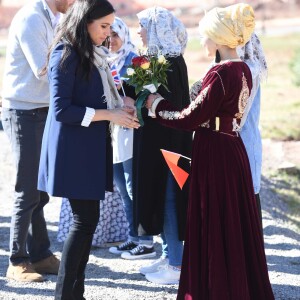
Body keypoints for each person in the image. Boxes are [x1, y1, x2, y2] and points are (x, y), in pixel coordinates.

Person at [146, 3, 274, 299]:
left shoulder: (220, 72)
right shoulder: (244, 69)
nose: (201, 41)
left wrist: (155, 106)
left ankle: (215, 288)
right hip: (232, 150)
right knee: (232, 219)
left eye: (204, 36)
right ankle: (236, 283)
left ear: (217, 38)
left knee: (213, 218)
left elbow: (189, 118)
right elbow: (222, 112)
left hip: (215, 152)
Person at [37, 0, 139, 298]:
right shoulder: (65, 54)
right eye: (104, 26)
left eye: (110, 26)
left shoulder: (90, 54)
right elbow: (61, 110)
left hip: (88, 147)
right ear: (85, 22)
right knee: (83, 222)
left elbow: (99, 96)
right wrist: (111, 115)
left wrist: (123, 105)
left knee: (88, 221)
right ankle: (67, 295)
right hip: (73, 151)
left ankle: (73, 293)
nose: (108, 33)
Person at [1, 0, 74, 283]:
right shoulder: (32, 18)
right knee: (28, 189)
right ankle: (17, 261)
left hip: (42, 110)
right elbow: (43, 68)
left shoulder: (52, 17)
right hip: (24, 112)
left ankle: (41, 255)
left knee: (40, 190)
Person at [122, 7, 193, 286]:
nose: (138, 31)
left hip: (168, 143)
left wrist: (146, 101)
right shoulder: (153, 60)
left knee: (169, 199)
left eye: (142, 26)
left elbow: (172, 107)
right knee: (158, 197)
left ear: (155, 28)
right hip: (153, 140)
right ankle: (168, 254)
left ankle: (177, 264)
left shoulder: (171, 62)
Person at [107, 17, 154, 255]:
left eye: (115, 35)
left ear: (124, 35)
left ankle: (146, 241)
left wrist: (129, 99)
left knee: (133, 186)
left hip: (134, 131)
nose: (111, 40)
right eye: (107, 35)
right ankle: (133, 236)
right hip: (115, 132)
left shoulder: (137, 60)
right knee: (123, 188)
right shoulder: (105, 61)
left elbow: (148, 95)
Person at [237, 33, 268, 233]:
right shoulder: (251, 69)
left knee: (245, 195)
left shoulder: (243, 72)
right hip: (248, 140)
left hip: (241, 140)